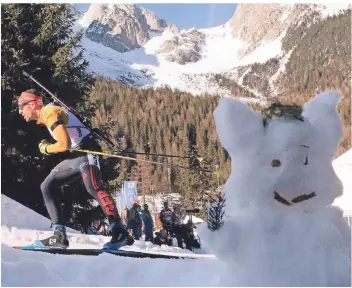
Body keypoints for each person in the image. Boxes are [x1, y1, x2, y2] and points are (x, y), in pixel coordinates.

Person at [18, 89, 134, 249]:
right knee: (47, 186)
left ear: (32, 104)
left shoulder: (48, 112)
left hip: (87, 151)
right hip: (78, 155)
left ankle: (119, 230)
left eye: (21, 106)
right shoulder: (50, 111)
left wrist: (46, 148)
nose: (19, 111)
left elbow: (63, 144)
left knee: (93, 187)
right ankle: (59, 236)